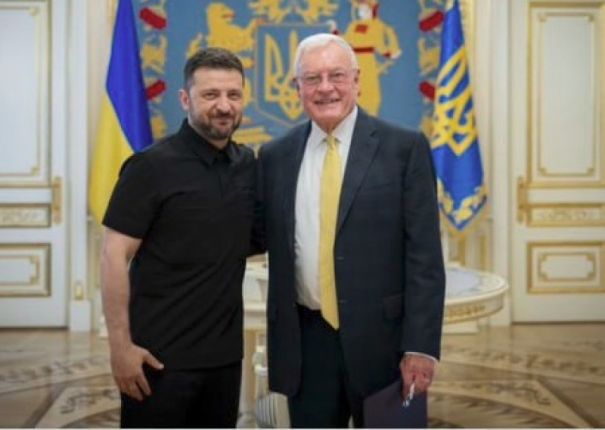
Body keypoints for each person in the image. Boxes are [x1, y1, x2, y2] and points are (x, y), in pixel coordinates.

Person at [254, 33, 445, 427]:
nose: (325, 88)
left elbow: (424, 257)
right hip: (306, 346)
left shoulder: (404, 148)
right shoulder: (275, 156)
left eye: (336, 75)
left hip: (386, 346)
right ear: (297, 87)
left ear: (357, 80)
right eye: (312, 78)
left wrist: (420, 347)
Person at [100, 47, 255, 428]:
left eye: (233, 95)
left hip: (224, 360)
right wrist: (120, 348)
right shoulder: (149, 167)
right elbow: (113, 255)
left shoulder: (247, 164)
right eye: (210, 94)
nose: (224, 106)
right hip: (157, 359)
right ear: (185, 99)